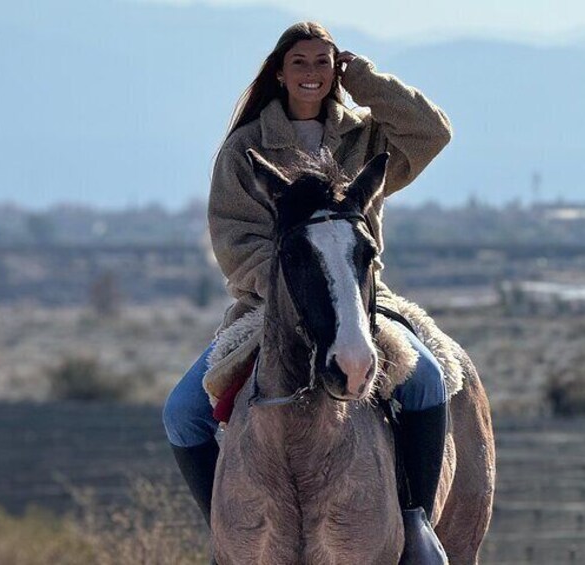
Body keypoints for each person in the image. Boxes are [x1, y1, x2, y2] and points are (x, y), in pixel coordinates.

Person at [162, 21, 453, 561]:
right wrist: (291, 286)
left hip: (360, 298)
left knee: (427, 383)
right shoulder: (244, 149)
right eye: (300, 62)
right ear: (279, 72)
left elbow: (431, 133)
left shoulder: (364, 135)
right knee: (181, 413)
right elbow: (232, 238)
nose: (312, 73)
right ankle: (226, 540)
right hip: (270, 307)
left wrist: (364, 78)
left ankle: (415, 524)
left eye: (324, 62)